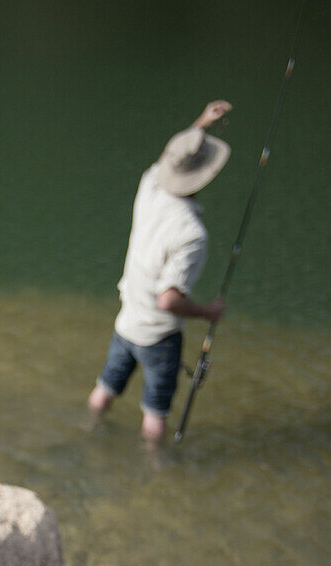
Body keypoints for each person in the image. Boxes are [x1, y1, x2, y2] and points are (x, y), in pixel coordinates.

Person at [88, 100, 233, 444]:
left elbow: (168, 160)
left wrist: (201, 123)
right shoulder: (191, 234)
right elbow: (168, 300)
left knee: (105, 388)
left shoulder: (150, 187)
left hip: (127, 320)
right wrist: (207, 312)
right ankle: (154, 468)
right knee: (155, 412)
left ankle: (88, 431)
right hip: (159, 336)